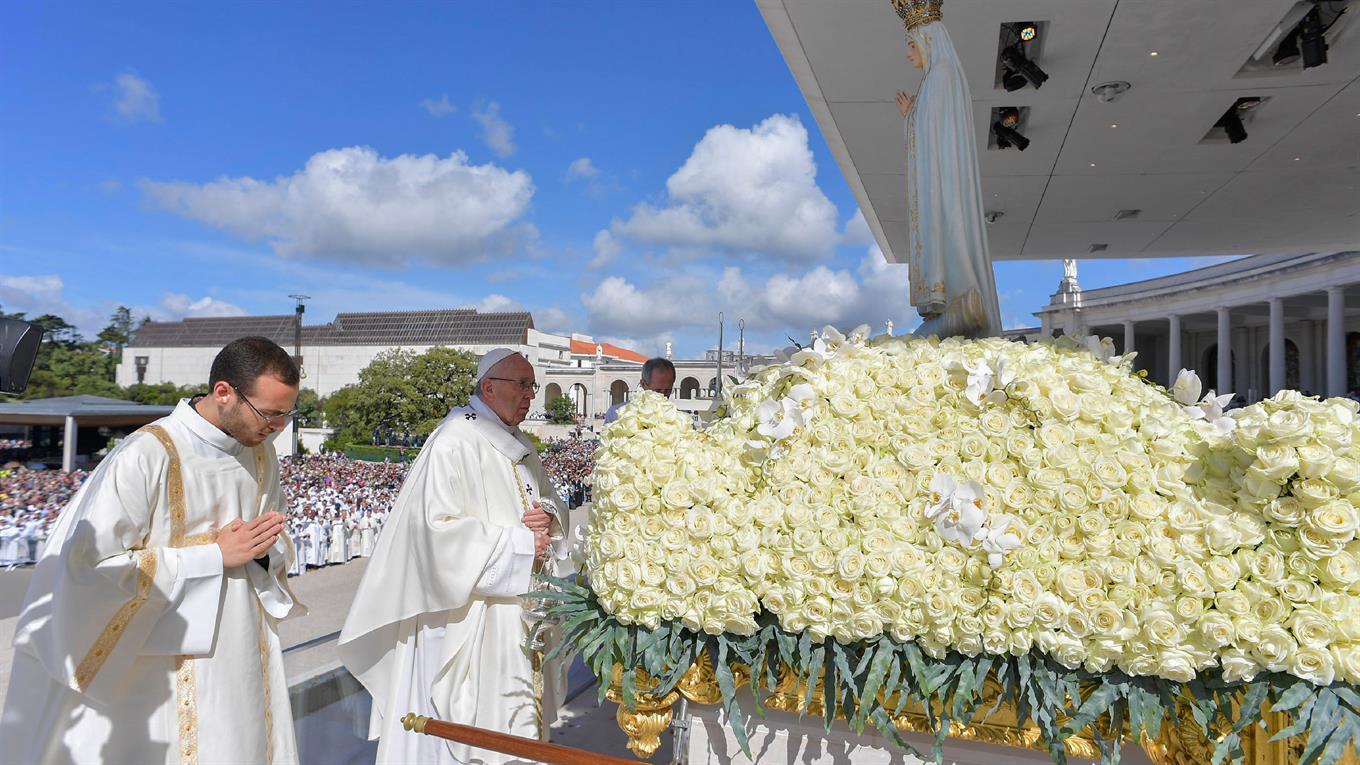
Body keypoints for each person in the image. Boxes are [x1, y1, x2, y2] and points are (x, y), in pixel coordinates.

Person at [0, 336, 304, 764]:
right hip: (160, 665)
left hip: (240, 655)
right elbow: (88, 569)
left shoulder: (260, 454)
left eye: (287, 415)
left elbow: (268, 541)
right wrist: (212, 557)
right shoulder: (148, 454)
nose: (276, 428)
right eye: (269, 414)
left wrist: (264, 551)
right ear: (223, 393)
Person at [338, 348, 567, 765]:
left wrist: (547, 518)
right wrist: (518, 545)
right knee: (466, 734)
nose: (530, 395)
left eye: (532, 385)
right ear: (488, 387)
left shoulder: (520, 444)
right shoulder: (454, 441)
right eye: (522, 384)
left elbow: (551, 503)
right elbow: (433, 533)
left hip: (514, 613)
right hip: (466, 617)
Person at [893, 0, 1003, 339]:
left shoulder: (940, 76)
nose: (908, 53)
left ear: (927, 40)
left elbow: (933, 134)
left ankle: (958, 301)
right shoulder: (936, 79)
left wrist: (913, 116)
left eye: (912, 44)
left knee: (946, 231)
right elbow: (931, 130)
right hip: (938, 177)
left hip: (941, 181)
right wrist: (913, 114)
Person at [603, 357, 677, 424]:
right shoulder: (617, 415)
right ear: (643, 384)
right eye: (657, 390)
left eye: (667, 391)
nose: (662, 395)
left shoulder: (677, 419)